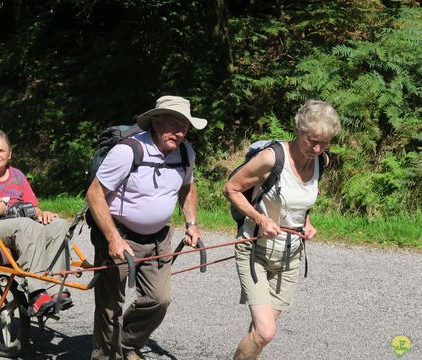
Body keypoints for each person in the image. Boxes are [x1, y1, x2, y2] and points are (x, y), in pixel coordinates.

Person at [86, 95, 205, 360]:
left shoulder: (186, 152)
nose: (180, 131)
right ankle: (105, 356)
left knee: (158, 299)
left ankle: (126, 344)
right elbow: (94, 195)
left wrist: (192, 224)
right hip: (119, 236)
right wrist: (113, 239)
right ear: (155, 121)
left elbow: (187, 187)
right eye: (174, 124)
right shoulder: (128, 151)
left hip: (158, 239)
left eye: (184, 126)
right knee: (109, 307)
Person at [222, 100, 341, 360]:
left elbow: (301, 202)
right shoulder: (272, 157)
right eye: (312, 141)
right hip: (255, 250)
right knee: (265, 332)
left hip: (290, 256)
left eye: (325, 142)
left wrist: (306, 223)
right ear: (299, 131)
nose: (318, 148)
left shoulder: (322, 161)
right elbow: (231, 188)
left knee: (259, 331)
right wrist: (260, 219)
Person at [0, 130, 73, 318]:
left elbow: (33, 207)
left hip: (20, 225)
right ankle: (35, 293)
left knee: (58, 225)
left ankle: (54, 287)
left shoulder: (17, 175)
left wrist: (44, 214)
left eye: (2, 150)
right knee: (27, 225)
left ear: (10, 154)